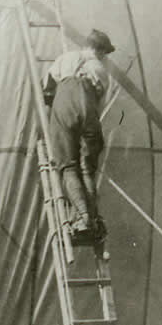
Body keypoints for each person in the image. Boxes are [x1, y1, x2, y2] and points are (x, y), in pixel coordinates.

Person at [41, 28, 116, 245]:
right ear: (99, 50)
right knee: (87, 169)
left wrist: (53, 114)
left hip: (64, 105)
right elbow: (99, 104)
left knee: (68, 167)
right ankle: (91, 219)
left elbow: (46, 86)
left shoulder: (66, 58)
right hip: (89, 110)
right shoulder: (101, 70)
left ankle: (82, 220)